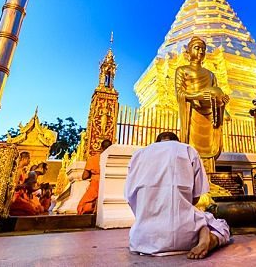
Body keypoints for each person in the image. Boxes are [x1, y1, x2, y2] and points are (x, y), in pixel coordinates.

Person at [125, 131, 230, 259]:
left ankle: (202, 233)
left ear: (157, 142)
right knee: (219, 224)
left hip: (142, 240)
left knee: (199, 218)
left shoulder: (138, 155)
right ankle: (209, 239)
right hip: (186, 236)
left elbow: (130, 198)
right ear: (177, 141)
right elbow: (196, 198)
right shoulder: (187, 150)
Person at [175, 36, 229, 175]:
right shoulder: (182, 70)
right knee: (192, 149)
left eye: (203, 49)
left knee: (209, 148)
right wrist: (196, 96)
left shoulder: (210, 75)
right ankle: (193, 180)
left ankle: (208, 181)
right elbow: (180, 93)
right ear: (188, 51)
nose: (200, 52)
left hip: (210, 115)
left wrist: (223, 103)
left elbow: (216, 93)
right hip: (192, 113)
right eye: (197, 48)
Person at [77, 139, 112, 215]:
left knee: (82, 207)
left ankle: (93, 206)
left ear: (101, 148)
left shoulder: (93, 159)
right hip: (109, 183)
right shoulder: (113, 159)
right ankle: (97, 205)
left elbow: (84, 176)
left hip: (96, 183)